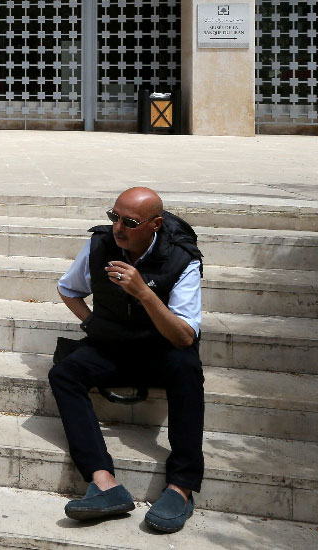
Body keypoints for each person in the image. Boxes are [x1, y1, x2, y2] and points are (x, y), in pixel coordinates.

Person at [47, 186, 204, 534]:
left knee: (188, 369)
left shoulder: (183, 259)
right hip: (113, 346)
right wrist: (91, 323)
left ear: (155, 225)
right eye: (113, 217)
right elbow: (68, 288)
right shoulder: (99, 245)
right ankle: (104, 484)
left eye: (129, 222)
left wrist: (144, 292)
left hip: (162, 350)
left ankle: (181, 486)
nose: (118, 228)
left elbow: (184, 336)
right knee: (65, 373)